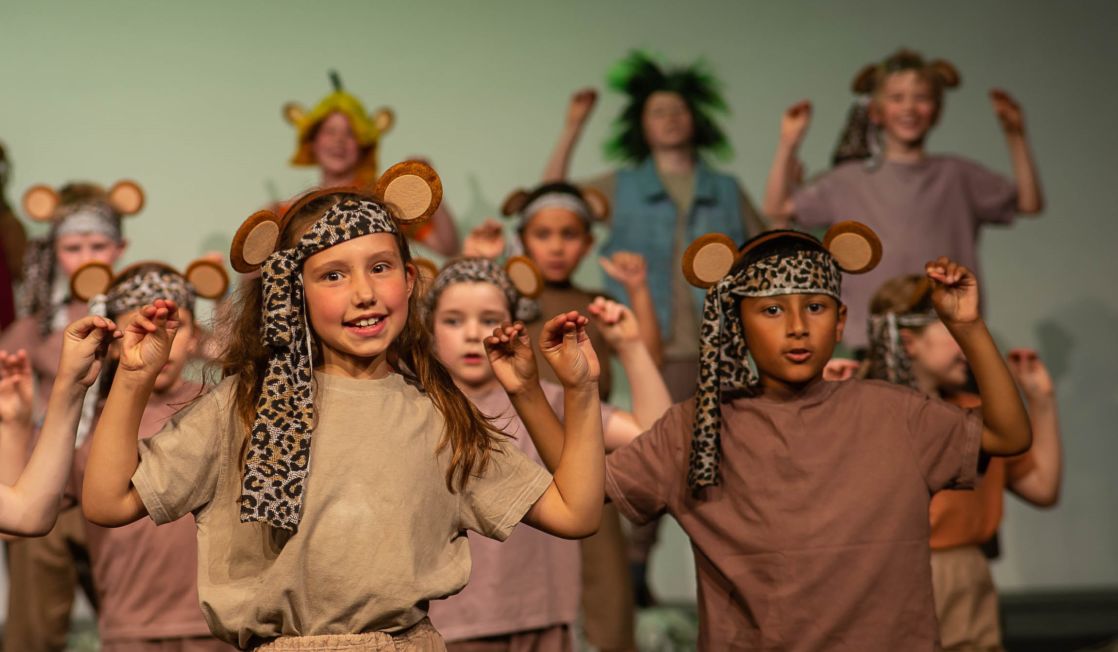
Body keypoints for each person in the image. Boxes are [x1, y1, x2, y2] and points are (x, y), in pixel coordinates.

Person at [80, 162, 605, 650]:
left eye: (380, 267)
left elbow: (575, 512)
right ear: (293, 292)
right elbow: (108, 503)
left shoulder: (437, 416)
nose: (364, 293)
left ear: (410, 278)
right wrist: (131, 380)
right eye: (333, 275)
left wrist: (572, 392)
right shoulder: (242, 409)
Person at [578, 223, 1032, 649]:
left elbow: (1007, 436)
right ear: (737, 322)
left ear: (839, 321)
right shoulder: (699, 428)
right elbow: (577, 498)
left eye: (815, 307)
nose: (797, 326)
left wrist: (967, 327)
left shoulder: (896, 414)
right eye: (772, 309)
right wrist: (547, 396)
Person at [423, 257, 670, 651]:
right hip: (448, 624)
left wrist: (631, 347)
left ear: (515, 324)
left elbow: (656, 439)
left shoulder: (549, 401)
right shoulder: (420, 409)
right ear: (431, 330)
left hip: (542, 616)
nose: (472, 334)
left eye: (489, 320)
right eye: (453, 320)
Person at [762, 48, 1045, 352]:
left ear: (936, 109)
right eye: (897, 98)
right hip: (869, 340)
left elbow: (1028, 203)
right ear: (876, 111)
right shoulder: (847, 180)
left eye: (921, 98)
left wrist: (1015, 135)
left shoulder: (956, 175)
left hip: (945, 342)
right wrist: (788, 143)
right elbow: (776, 208)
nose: (909, 107)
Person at [864, 273, 1062, 650]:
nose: (967, 350)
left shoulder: (973, 419)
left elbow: (1042, 488)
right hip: (902, 573)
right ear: (909, 342)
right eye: (951, 333)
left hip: (966, 574)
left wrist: (1041, 403)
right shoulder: (871, 417)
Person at [1, 178, 142, 652]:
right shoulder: (32, 326)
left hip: (117, 487)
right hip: (50, 493)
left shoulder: (137, 320)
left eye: (98, 245)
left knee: (130, 616)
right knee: (34, 623)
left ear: (120, 247)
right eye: (73, 246)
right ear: (55, 249)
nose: (86, 257)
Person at [281, 72, 459, 255]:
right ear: (313, 143)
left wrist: (428, 185)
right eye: (329, 131)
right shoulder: (289, 213)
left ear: (364, 146)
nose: (339, 141)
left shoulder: (385, 204)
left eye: (350, 133)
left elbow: (447, 247)